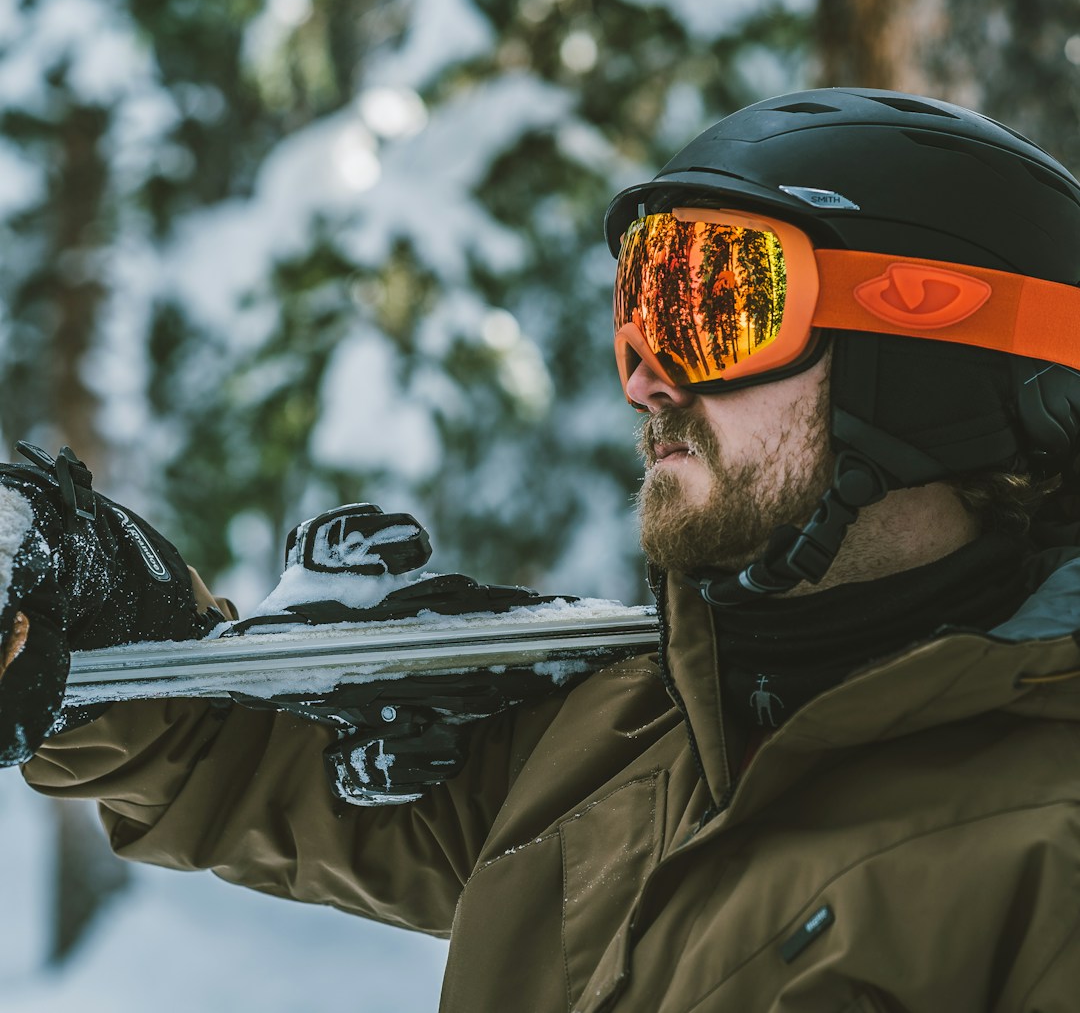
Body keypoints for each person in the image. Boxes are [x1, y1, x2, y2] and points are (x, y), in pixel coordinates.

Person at [3, 86, 1080, 1011]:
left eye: (721, 307)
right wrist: (96, 616)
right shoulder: (629, 742)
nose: (652, 378)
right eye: (642, 311)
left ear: (937, 342)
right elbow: (239, 767)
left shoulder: (1042, 855)